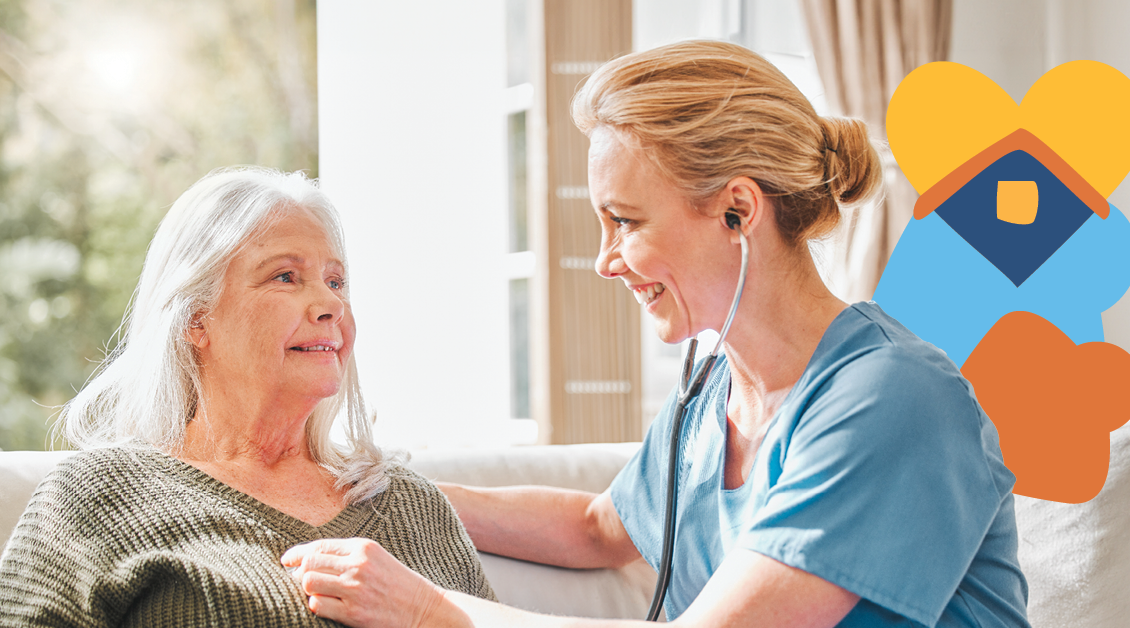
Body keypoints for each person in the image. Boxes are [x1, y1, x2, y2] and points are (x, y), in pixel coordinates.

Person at [283, 41, 1031, 628]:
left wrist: (426, 611)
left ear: (738, 210)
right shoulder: (713, 398)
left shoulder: (894, 400)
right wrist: (391, 489)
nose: (606, 260)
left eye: (625, 221)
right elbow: (597, 526)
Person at [0, 167, 495, 627]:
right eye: (286, 276)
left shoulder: (413, 505)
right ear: (196, 319)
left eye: (336, 281)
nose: (330, 304)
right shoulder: (96, 496)